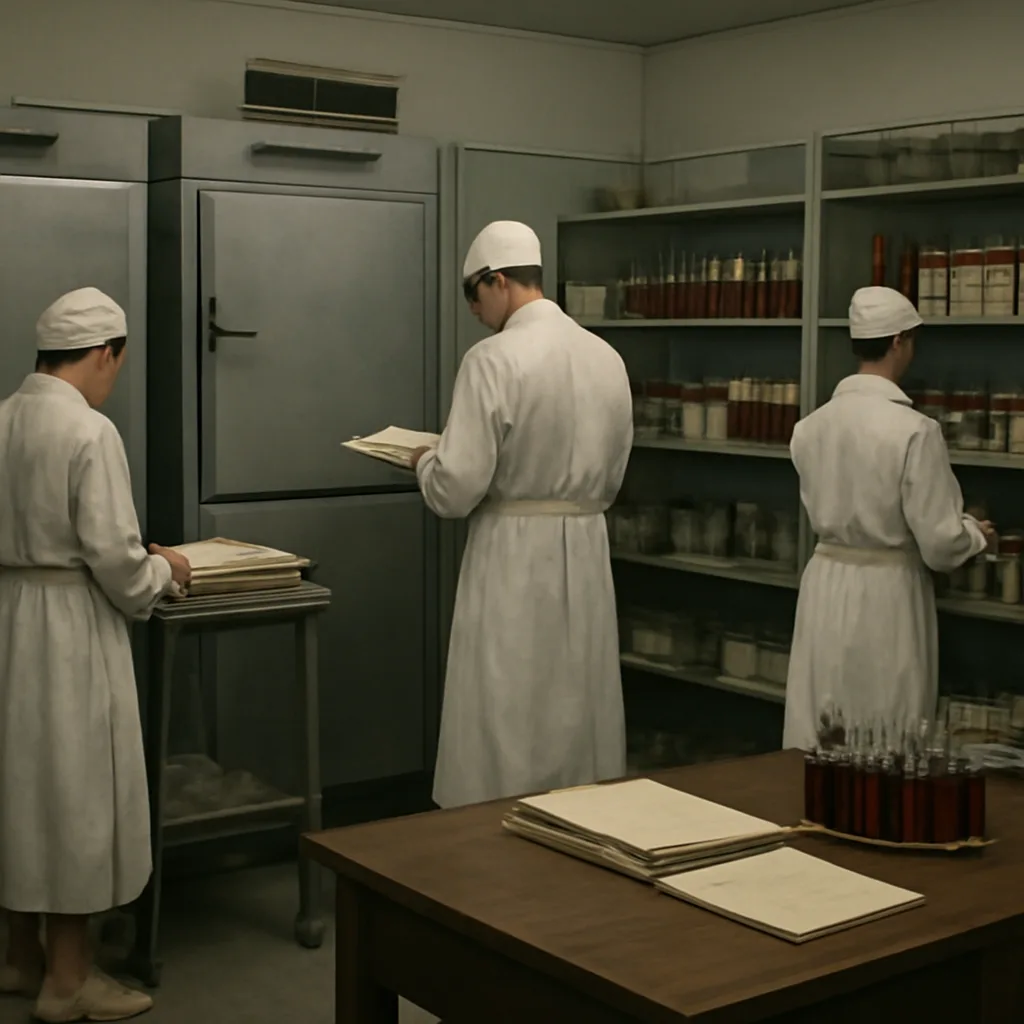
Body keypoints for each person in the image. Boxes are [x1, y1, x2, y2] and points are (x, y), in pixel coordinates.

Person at [0, 288, 190, 1021]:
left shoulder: (6, 418)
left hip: (12, 616)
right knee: (73, 792)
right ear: (108, 353)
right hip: (69, 629)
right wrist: (165, 573)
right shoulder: (89, 431)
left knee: (19, 789)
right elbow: (114, 557)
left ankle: (20, 958)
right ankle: (69, 979)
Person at [410, 220, 633, 809]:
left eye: (475, 297)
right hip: (585, 547)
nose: (475, 312)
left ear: (498, 281)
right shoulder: (606, 357)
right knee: (576, 697)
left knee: (506, 701)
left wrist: (423, 462)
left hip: (511, 550)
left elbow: (455, 490)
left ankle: (493, 847)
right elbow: (614, 474)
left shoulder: (493, 359)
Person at [784, 286, 994, 751]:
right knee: (884, 727)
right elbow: (940, 544)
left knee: (821, 726)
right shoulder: (915, 431)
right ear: (899, 341)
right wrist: (974, 535)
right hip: (888, 592)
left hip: (825, 583)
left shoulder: (811, 427)